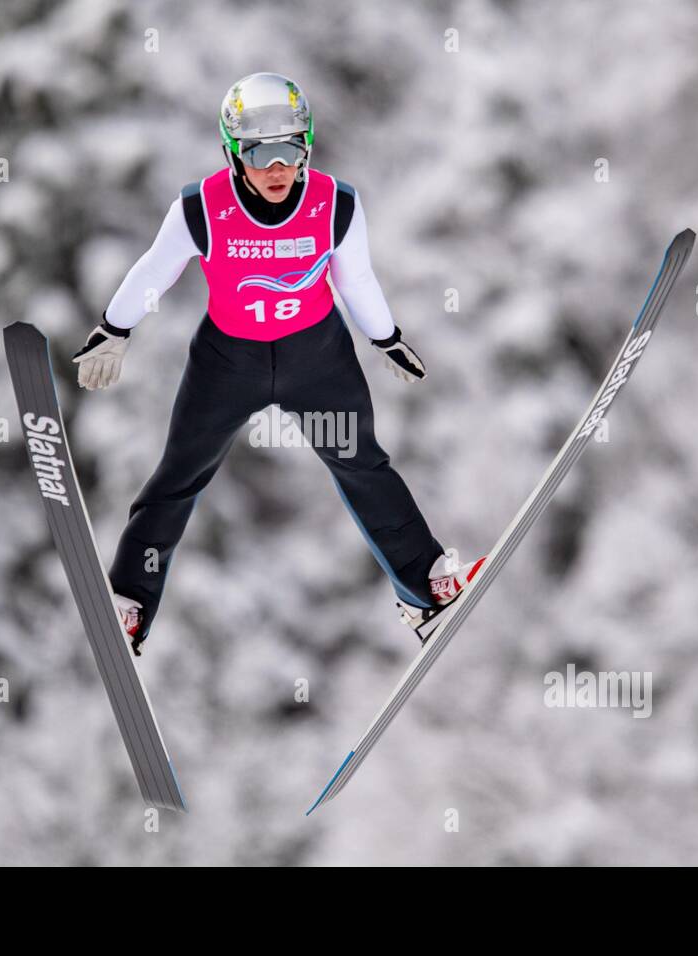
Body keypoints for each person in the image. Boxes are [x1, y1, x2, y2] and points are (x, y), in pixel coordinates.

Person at [74, 72, 482, 654]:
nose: (276, 167)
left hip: (317, 360)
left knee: (361, 465)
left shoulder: (335, 204)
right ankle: (130, 602)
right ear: (233, 152)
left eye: (290, 149)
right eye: (259, 151)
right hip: (227, 364)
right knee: (179, 475)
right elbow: (154, 270)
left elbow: (356, 278)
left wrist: (386, 337)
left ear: (306, 148)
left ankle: (426, 591)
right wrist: (115, 329)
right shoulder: (202, 207)